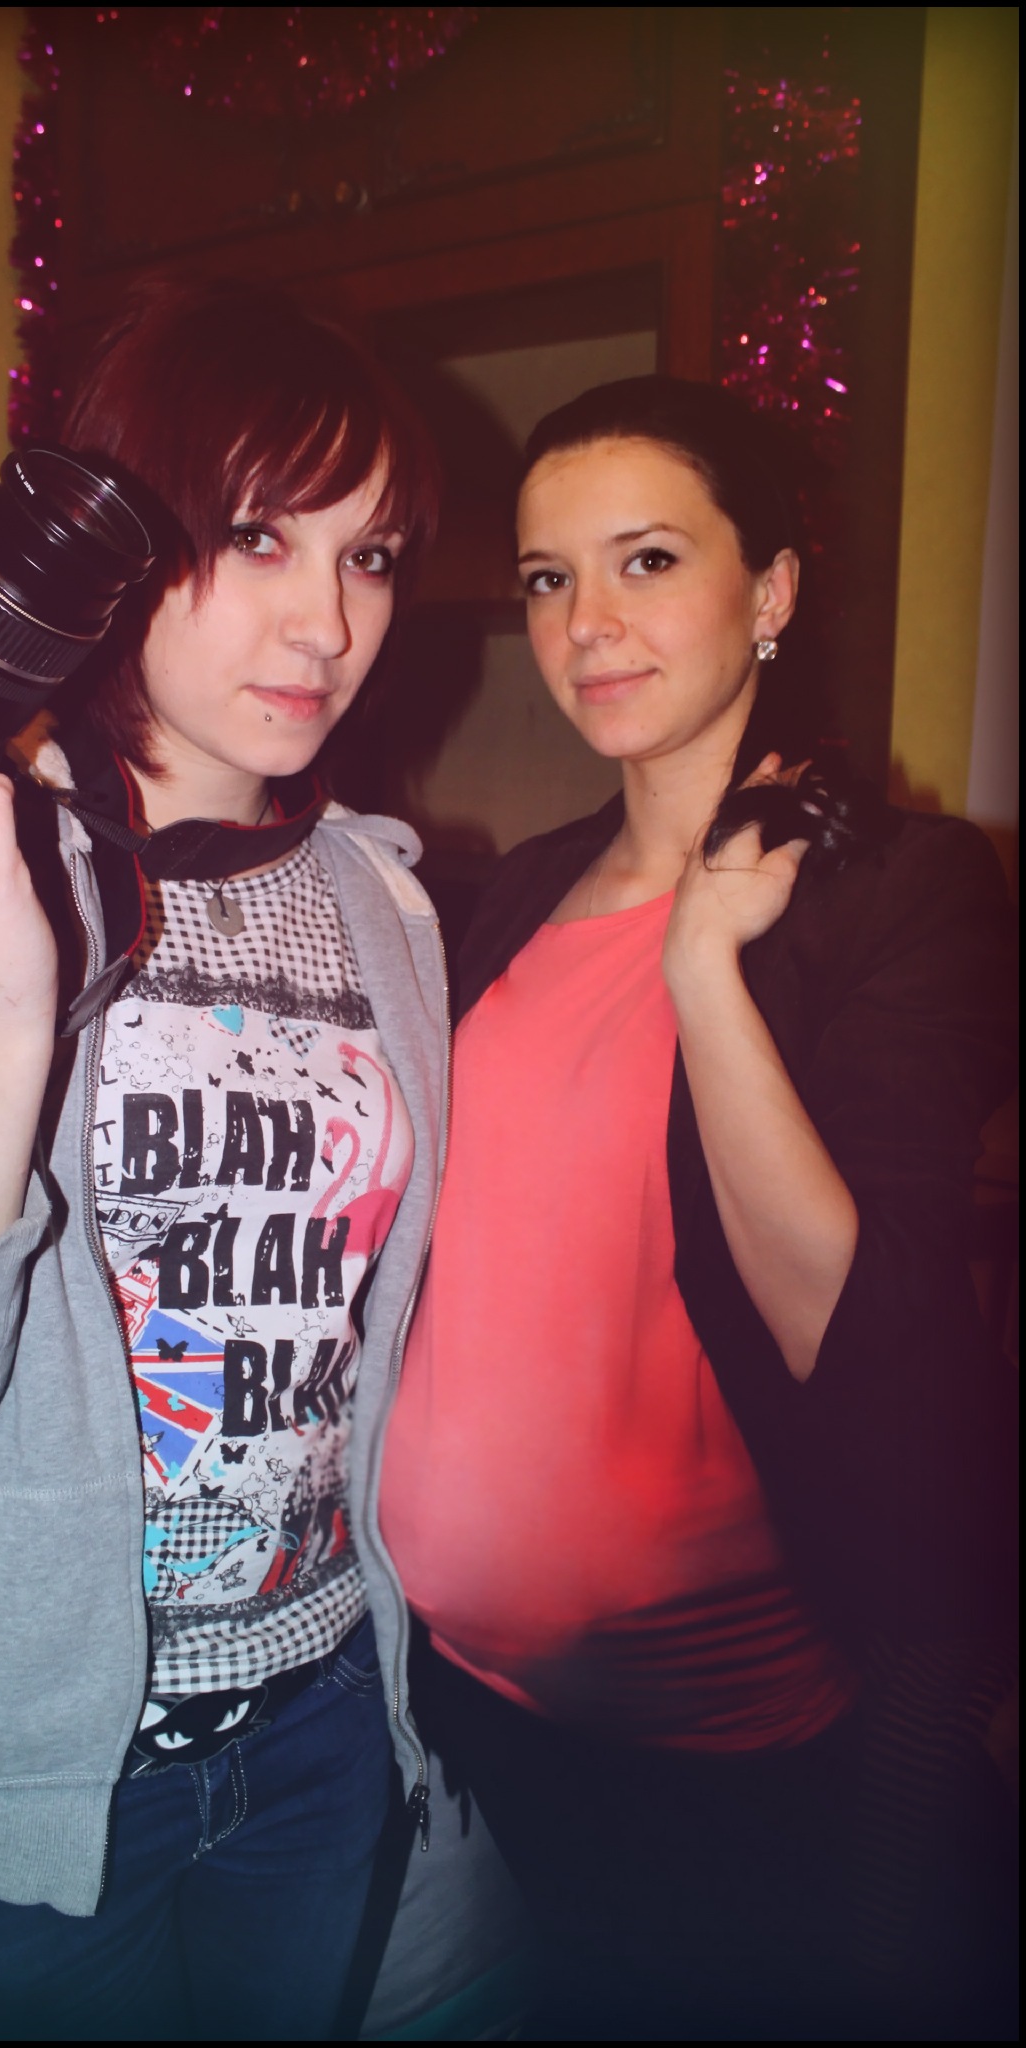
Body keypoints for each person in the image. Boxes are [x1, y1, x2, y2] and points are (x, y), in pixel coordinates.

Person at [0, 278, 449, 2043]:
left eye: (370, 558)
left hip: (313, 1741)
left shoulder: (384, 905)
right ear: (121, 548)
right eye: (257, 537)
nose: (326, 623)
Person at [379, 376, 1018, 2040]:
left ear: (773, 590)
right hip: (486, 1707)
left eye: (647, 560)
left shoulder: (904, 891)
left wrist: (705, 970)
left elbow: (851, 1323)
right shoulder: (511, 891)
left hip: (745, 1738)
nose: (586, 623)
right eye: (547, 577)